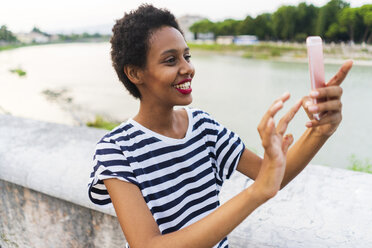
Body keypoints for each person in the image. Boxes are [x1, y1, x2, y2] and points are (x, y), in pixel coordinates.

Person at [88, 4, 352, 248]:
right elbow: (147, 245)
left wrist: (320, 130)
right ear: (135, 73)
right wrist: (255, 193)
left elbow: (272, 177)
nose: (187, 68)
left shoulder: (202, 126)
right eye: (171, 60)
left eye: (186, 56)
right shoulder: (116, 150)